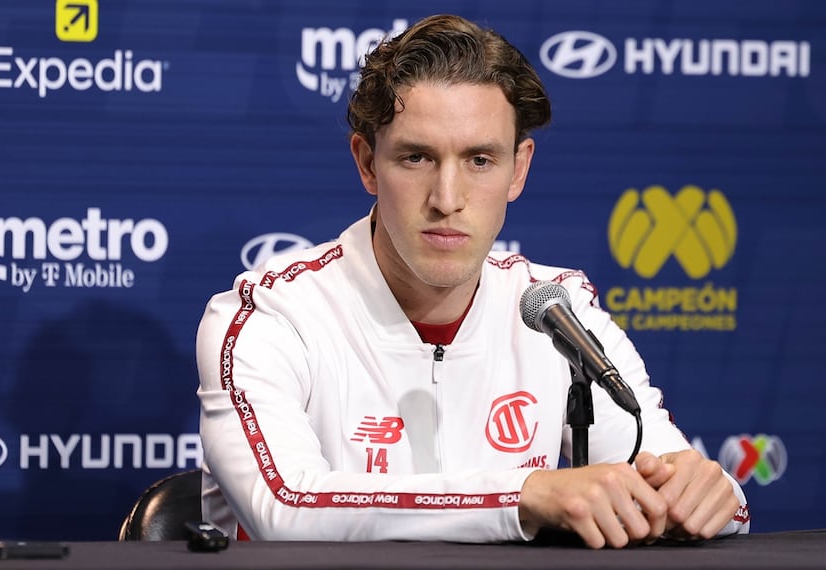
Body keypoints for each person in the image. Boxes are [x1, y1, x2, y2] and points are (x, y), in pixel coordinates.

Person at [196, 14, 749, 548]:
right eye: (416, 157)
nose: (447, 199)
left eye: (480, 160)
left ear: (519, 169)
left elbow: (670, 472)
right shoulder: (270, 315)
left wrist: (707, 495)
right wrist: (524, 497)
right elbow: (286, 506)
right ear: (367, 164)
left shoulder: (556, 309)